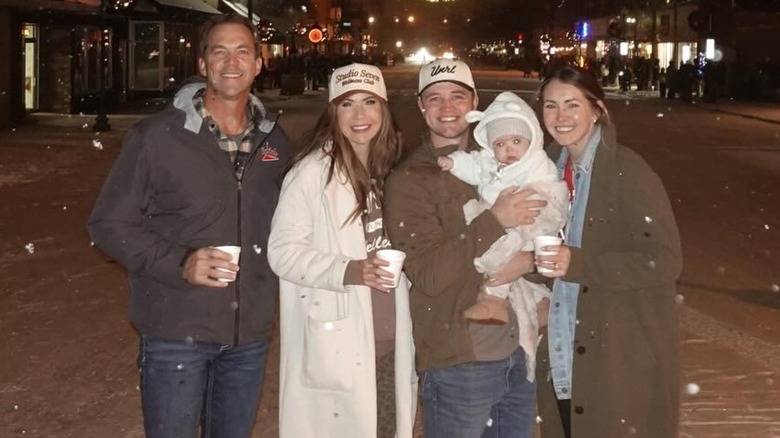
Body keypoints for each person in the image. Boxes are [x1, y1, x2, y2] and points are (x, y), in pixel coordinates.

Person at [86, 14, 290, 438]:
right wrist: (180, 262)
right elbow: (108, 222)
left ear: (258, 63)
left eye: (242, 52)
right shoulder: (157, 136)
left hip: (248, 335)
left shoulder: (275, 140)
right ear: (202, 65)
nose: (231, 62)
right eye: (219, 51)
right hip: (176, 330)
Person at [384, 58, 546, 438]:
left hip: (518, 351)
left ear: (474, 101)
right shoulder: (410, 180)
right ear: (421, 107)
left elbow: (544, 233)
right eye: (434, 99)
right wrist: (495, 220)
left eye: (457, 96)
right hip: (460, 361)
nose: (447, 108)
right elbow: (427, 274)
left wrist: (531, 261)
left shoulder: (507, 159)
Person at [267, 63, 417, 438]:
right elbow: (282, 251)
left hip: (388, 336)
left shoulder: (389, 169)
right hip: (341, 338)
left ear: (384, 109)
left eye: (370, 102)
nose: (360, 115)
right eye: (347, 104)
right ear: (333, 113)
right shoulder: (312, 172)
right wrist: (349, 270)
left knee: (384, 428)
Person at [534, 65, 682, 438]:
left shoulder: (627, 171)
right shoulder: (545, 172)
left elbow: (664, 259)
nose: (561, 117)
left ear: (596, 109)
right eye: (551, 106)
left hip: (616, 354)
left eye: (572, 105)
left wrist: (580, 263)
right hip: (561, 348)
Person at [437, 91, 568, 380]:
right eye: (500, 144)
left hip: (532, 215)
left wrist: (528, 213)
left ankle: (526, 302)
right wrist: (453, 163)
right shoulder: (489, 162)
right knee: (478, 222)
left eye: (516, 142)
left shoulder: (536, 162)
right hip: (503, 218)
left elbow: (549, 192)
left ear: (530, 140)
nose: (509, 150)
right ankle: (505, 303)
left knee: (504, 251)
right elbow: (472, 165)